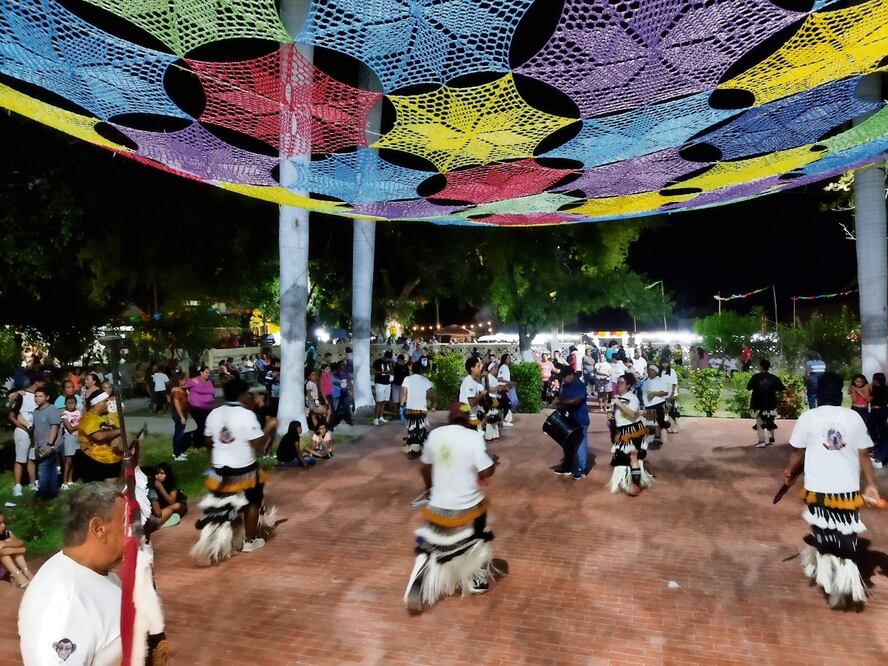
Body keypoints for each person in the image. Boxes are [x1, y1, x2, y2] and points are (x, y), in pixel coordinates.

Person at [783, 371, 883, 608]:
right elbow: (864, 455)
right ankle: (843, 579)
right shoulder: (853, 418)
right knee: (846, 536)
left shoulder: (808, 417)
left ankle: (833, 580)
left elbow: (797, 451)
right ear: (840, 393)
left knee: (823, 534)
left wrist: (789, 471)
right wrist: (871, 485)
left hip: (818, 489)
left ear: (818, 393)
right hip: (846, 491)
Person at [404, 404, 503, 613]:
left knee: (431, 544)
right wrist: (492, 462)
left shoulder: (435, 435)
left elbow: (425, 468)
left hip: (438, 505)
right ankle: (476, 580)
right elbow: (486, 471)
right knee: (478, 540)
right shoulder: (474, 437)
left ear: (450, 417)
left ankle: (422, 575)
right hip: (469, 508)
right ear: (467, 419)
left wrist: (430, 489)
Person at [19, 483, 126, 664]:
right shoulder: (68, 602)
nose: (133, 533)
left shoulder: (90, 570)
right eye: (124, 522)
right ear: (98, 528)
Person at [193, 379, 278, 563]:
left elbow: (207, 441)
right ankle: (250, 541)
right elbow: (258, 445)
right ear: (242, 395)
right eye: (248, 394)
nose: (251, 397)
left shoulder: (214, 413)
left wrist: (221, 450)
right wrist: (270, 427)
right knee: (253, 502)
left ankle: (221, 535)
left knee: (222, 501)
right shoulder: (247, 415)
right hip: (244, 468)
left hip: (220, 469)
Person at [608, 373, 653, 496]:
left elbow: (632, 414)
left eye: (622, 383)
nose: (619, 385)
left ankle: (636, 485)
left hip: (632, 430)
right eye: (618, 382)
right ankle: (628, 479)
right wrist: (609, 414)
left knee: (633, 456)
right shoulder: (617, 397)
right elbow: (612, 412)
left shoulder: (633, 398)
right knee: (624, 456)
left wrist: (619, 404)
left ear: (628, 385)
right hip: (621, 431)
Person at [551, 366, 592, 480]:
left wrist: (560, 401)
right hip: (568, 419)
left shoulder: (579, 385)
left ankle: (581, 470)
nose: (563, 379)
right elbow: (562, 398)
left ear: (571, 375)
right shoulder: (565, 385)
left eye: (564, 377)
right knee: (567, 443)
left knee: (580, 444)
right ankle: (567, 466)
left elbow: (577, 400)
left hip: (580, 419)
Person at [76, 392, 125, 483]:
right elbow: (99, 436)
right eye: (105, 401)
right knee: (102, 488)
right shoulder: (88, 419)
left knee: (112, 487)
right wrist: (119, 431)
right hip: (96, 460)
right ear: (97, 403)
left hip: (111, 459)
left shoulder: (106, 416)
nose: (108, 403)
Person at [747, 359, 785, 447]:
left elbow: (749, 387)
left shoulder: (756, 377)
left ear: (760, 366)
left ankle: (762, 441)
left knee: (760, 421)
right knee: (770, 420)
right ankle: (771, 437)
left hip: (758, 403)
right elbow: (781, 388)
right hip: (771, 403)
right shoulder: (773, 377)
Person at [32, 387, 61, 499]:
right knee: (51, 469)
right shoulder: (35, 412)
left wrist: (50, 444)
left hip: (50, 445)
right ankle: (53, 493)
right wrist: (35, 444)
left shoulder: (52, 409)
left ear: (47, 397)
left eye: (40, 396)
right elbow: (35, 429)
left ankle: (42, 494)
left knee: (43, 469)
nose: (37, 398)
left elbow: (55, 427)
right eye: (36, 396)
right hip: (40, 446)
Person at [8, 383, 37, 497]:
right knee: (20, 459)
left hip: (33, 432)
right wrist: (24, 428)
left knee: (31, 459)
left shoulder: (35, 397)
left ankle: (32, 483)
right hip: (22, 432)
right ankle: (17, 486)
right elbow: (13, 416)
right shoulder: (19, 396)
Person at [401, 361, 434, 458]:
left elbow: (404, 393)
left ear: (412, 369)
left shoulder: (407, 379)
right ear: (421, 370)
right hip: (421, 410)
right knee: (420, 427)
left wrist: (402, 405)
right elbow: (431, 395)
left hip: (410, 409)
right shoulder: (425, 380)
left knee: (411, 427)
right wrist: (433, 403)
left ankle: (413, 446)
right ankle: (418, 447)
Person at [147, 462, 187, 527]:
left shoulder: (172, 482)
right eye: (157, 473)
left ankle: (162, 518)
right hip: (161, 508)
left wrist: (161, 488)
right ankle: (164, 517)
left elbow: (172, 502)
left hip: (174, 506)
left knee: (177, 506)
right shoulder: (152, 482)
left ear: (168, 474)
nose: (158, 476)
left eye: (162, 473)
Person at [0, 513, 33, 588]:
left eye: (3, 522)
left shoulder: (5, 533)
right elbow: (3, 552)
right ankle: (17, 575)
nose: (3, 525)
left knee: (9, 541)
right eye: (0, 523)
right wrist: (22, 549)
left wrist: (4, 543)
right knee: (5, 552)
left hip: (4, 569)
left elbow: (20, 542)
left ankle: (26, 571)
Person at [186, 366, 215, 449]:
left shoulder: (209, 382)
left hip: (208, 408)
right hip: (196, 407)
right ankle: (196, 444)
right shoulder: (194, 381)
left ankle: (202, 443)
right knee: (202, 425)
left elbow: (212, 393)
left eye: (209, 372)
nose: (208, 374)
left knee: (207, 425)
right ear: (201, 372)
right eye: (206, 372)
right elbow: (183, 386)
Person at [642, 365, 670, 451]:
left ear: (656, 372)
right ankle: (653, 439)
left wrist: (655, 393)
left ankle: (657, 441)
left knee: (657, 423)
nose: (650, 371)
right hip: (648, 405)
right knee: (651, 424)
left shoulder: (660, 380)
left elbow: (665, 392)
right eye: (649, 370)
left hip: (658, 404)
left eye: (652, 370)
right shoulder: (646, 381)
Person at [59, 395, 82, 490]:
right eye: (69, 403)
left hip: (77, 437)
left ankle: (70, 480)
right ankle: (64, 482)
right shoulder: (65, 414)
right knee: (68, 460)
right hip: (69, 437)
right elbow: (70, 428)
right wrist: (81, 425)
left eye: (73, 403)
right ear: (65, 404)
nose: (71, 405)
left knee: (73, 460)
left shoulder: (78, 412)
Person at [458, 356, 487, 424]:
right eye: (478, 366)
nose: (481, 368)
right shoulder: (469, 381)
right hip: (468, 418)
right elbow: (472, 403)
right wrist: (481, 395)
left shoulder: (474, 381)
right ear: (472, 368)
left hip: (472, 416)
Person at [870, 372, 888, 468]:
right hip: (882, 410)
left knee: (877, 431)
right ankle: (881, 455)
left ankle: (879, 454)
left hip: (878, 411)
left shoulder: (876, 388)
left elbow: (869, 399)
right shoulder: (884, 388)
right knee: (881, 431)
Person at [169, 376, 190, 462]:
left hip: (182, 414)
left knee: (178, 434)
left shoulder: (180, 389)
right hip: (179, 415)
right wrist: (181, 417)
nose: (185, 381)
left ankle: (177, 452)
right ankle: (177, 455)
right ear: (179, 380)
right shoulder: (176, 391)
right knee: (178, 435)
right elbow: (177, 405)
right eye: (184, 380)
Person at [372, 351, 394, 425]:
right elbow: (373, 371)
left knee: (384, 401)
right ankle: (375, 419)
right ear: (385, 357)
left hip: (388, 383)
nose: (388, 361)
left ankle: (381, 417)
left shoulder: (389, 363)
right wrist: (383, 372)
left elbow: (392, 372)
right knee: (379, 401)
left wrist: (391, 366)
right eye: (388, 359)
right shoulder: (377, 362)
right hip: (379, 383)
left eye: (390, 359)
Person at [659, 358, 680, 434]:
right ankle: (667, 427)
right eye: (663, 363)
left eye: (666, 363)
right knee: (664, 411)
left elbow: (674, 383)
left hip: (671, 394)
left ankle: (676, 427)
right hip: (662, 395)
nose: (664, 364)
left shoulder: (672, 371)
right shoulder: (659, 372)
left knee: (672, 411)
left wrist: (673, 393)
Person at [496, 354, 515, 427]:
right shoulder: (503, 367)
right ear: (504, 359)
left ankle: (502, 419)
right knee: (507, 403)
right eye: (507, 358)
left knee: (503, 404)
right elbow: (499, 378)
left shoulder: (506, 367)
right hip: (502, 388)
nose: (509, 360)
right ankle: (505, 420)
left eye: (510, 358)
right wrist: (508, 382)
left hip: (505, 388)